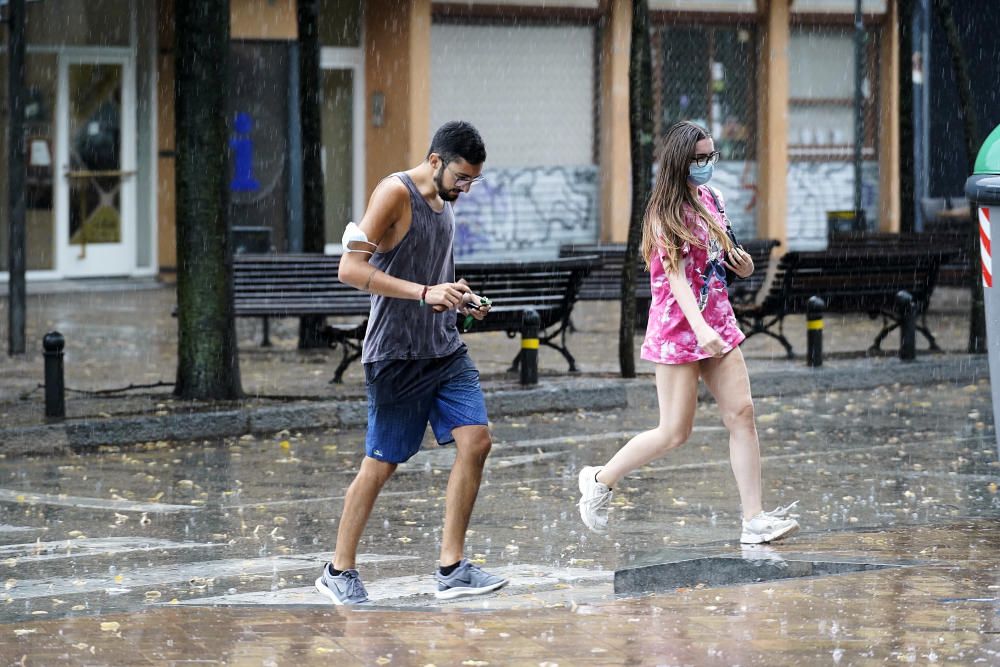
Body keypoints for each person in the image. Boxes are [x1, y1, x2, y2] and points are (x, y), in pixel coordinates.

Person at [577, 120, 799, 545]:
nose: (707, 164)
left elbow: (728, 254)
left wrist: (746, 266)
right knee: (674, 432)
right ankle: (600, 479)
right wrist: (701, 333)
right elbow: (676, 279)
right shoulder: (664, 213)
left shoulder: (711, 198)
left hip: (717, 320)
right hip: (679, 330)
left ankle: (753, 519)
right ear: (680, 161)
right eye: (700, 158)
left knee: (743, 414)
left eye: (711, 156)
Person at [315, 121, 509, 605]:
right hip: (396, 354)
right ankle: (338, 571)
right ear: (436, 161)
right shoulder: (394, 193)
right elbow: (350, 269)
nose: (465, 188)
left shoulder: (445, 203)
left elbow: (432, 273)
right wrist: (425, 293)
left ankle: (452, 568)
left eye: (473, 181)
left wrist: (457, 295)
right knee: (380, 466)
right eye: (462, 177)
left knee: (477, 441)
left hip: (443, 350)